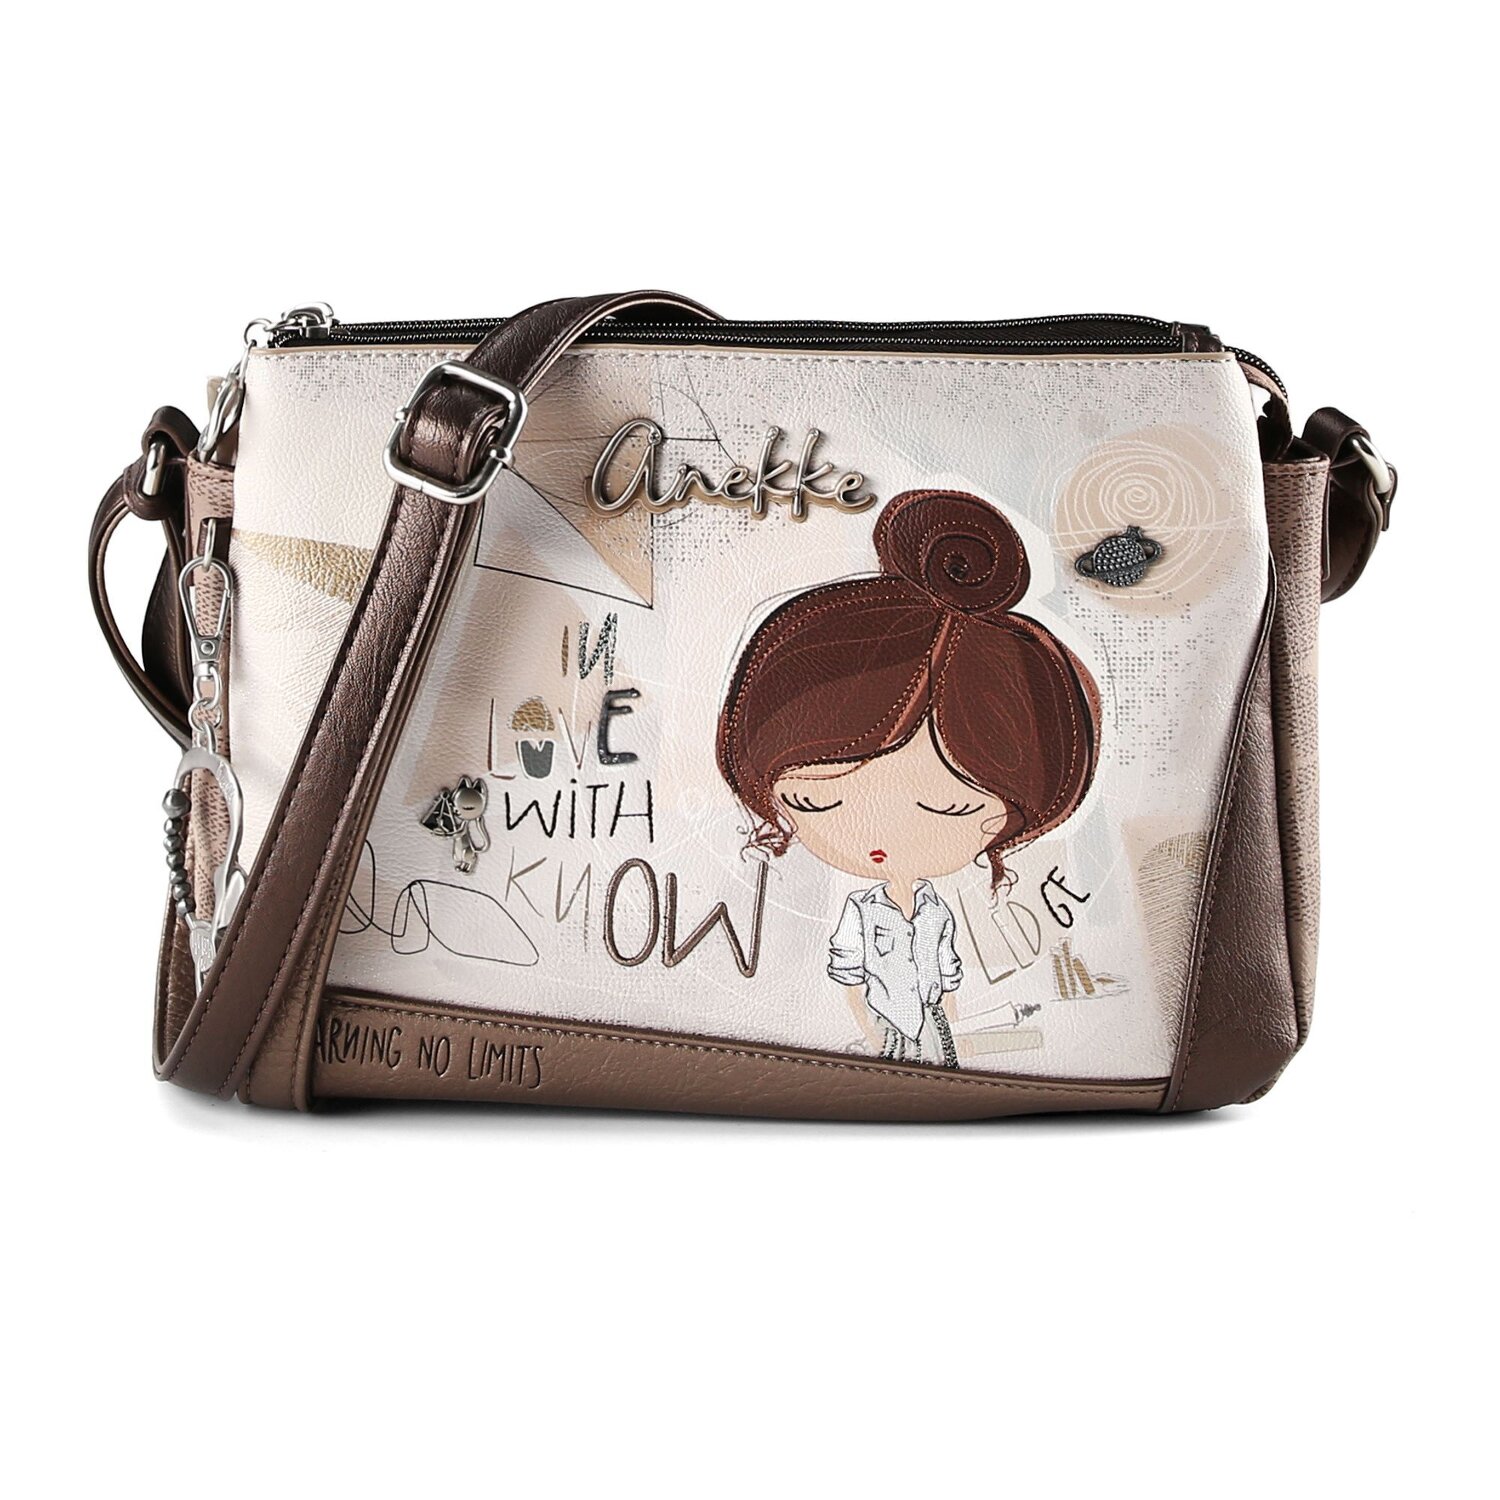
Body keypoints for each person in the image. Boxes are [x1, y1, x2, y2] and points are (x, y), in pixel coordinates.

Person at [717, 489, 1101, 1066]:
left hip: (932, 1030)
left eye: (951, 808)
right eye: (813, 802)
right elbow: (851, 978)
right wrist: (873, 1036)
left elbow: (943, 979)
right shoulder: (861, 915)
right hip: (885, 1031)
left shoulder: (936, 914)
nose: (880, 836)